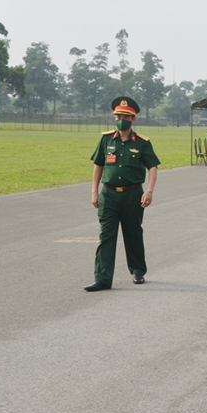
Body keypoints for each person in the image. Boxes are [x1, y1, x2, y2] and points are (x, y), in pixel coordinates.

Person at [85, 96, 160, 291]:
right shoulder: (106, 139)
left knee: (133, 233)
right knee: (106, 236)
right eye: (118, 115)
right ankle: (102, 278)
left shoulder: (142, 142)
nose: (121, 119)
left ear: (133, 119)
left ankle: (137, 271)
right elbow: (98, 165)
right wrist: (94, 192)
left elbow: (152, 167)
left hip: (133, 195)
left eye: (125, 116)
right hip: (108, 195)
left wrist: (150, 191)